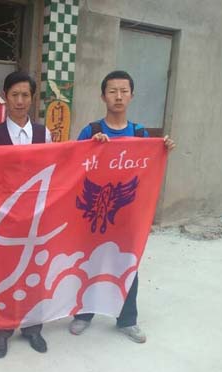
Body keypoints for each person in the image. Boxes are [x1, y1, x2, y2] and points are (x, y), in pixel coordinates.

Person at [69, 70, 176, 343]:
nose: (118, 96)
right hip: (94, 213)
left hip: (127, 214)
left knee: (128, 264)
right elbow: (72, 166)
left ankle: (127, 319)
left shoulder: (140, 134)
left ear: (131, 95)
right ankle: (83, 314)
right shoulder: (91, 131)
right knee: (90, 262)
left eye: (124, 91)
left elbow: (147, 171)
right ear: (102, 96)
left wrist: (162, 149)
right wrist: (91, 148)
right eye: (112, 91)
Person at [0, 71, 52, 358]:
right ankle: (0, 331)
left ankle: (32, 328)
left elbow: (52, 172)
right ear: (6, 98)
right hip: (3, 219)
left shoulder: (44, 134)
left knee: (33, 273)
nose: (20, 101)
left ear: (32, 99)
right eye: (14, 95)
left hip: (35, 217)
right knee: (1, 275)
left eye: (25, 95)